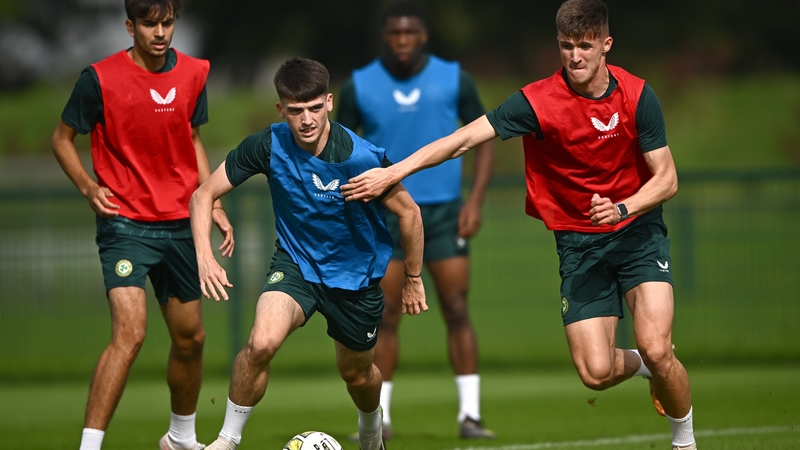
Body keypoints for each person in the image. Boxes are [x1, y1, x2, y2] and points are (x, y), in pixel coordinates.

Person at [340, 0, 697, 449]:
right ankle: (647, 366)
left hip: (638, 234)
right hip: (579, 245)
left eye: (585, 46)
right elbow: (461, 139)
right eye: (567, 46)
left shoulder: (638, 95)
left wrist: (623, 208)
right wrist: (394, 173)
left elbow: (667, 178)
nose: (575, 56)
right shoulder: (537, 101)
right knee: (595, 373)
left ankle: (684, 440)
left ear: (606, 45)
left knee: (659, 345)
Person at [191, 57, 427, 450]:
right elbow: (204, 194)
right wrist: (204, 254)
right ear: (280, 109)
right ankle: (226, 441)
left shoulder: (359, 156)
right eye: (296, 110)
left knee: (356, 374)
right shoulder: (268, 144)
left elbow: (410, 213)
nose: (306, 120)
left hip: (356, 278)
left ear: (330, 102)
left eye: (315, 108)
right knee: (261, 343)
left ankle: (370, 429)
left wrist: (414, 279)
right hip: (296, 266)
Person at [50, 1, 234, 449]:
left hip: (180, 223)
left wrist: (211, 203)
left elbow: (192, 139)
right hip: (126, 224)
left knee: (191, 338)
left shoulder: (194, 73)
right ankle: (89, 446)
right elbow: (61, 140)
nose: (160, 32)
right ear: (130, 26)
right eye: (150, 23)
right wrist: (88, 187)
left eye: (167, 22)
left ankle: (180, 439)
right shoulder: (99, 78)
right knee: (130, 333)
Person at [335, 1, 496, 440]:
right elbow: (339, 151)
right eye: (394, 34)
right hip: (383, 215)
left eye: (410, 33)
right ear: (385, 36)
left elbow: (485, 139)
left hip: (443, 213)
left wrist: (475, 200)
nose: (402, 41)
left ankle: (471, 416)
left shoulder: (453, 78)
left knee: (457, 308)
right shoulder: (360, 86)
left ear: (423, 35)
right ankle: (380, 418)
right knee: (384, 315)